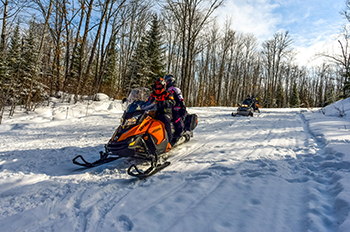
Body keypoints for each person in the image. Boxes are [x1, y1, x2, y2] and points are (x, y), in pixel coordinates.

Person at [149, 77, 175, 144]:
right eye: (157, 86)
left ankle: (169, 141)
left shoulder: (168, 93)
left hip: (165, 112)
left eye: (160, 86)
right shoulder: (152, 95)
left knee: (164, 118)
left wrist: (163, 103)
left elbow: (172, 102)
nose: (158, 87)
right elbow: (147, 101)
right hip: (154, 112)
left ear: (163, 86)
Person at [164, 74, 186, 144]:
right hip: (167, 108)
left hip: (176, 106)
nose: (166, 82)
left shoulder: (175, 89)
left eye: (167, 81)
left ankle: (180, 131)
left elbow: (180, 98)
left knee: (176, 117)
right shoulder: (164, 90)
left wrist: (182, 106)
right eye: (165, 81)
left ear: (171, 81)